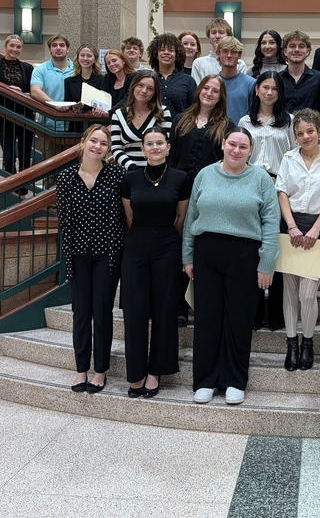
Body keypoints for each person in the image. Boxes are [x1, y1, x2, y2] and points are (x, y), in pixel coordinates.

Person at [183, 128, 280, 406]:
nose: (236, 150)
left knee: (239, 319)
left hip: (245, 254)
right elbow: (191, 217)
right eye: (232, 144)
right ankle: (205, 380)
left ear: (251, 151)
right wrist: (187, 256)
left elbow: (271, 224)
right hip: (207, 252)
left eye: (243, 146)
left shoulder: (261, 179)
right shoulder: (205, 174)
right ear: (223, 144)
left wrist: (267, 262)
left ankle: (235, 380)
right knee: (207, 318)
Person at [54, 124, 127, 393]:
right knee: (81, 312)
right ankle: (81, 369)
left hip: (108, 253)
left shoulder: (117, 175)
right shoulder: (65, 177)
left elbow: (125, 216)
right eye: (93, 141)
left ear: (108, 149)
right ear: (83, 142)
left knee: (102, 311)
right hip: (77, 254)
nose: (97, 146)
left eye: (103, 143)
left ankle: (100, 370)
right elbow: (63, 219)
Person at [120, 128, 190, 399]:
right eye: (150, 143)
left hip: (167, 247)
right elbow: (129, 215)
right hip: (136, 246)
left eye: (160, 143)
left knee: (164, 310)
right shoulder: (131, 178)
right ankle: (136, 372)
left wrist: (166, 239)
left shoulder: (181, 178)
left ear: (168, 147)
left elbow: (181, 218)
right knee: (135, 311)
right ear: (143, 148)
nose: (155, 147)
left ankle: (155, 372)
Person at [276, 109, 320, 371]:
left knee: (307, 293)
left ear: (319, 131)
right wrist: (291, 226)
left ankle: (308, 342)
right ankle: (291, 344)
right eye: (300, 133)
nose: (306, 137)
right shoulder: (288, 158)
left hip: (316, 227)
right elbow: (281, 191)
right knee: (290, 292)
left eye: (310, 131)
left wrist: (316, 229)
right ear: (295, 136)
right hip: (290, 226)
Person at [170, 74, 232, 326]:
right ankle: (179, 305)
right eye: (206, 88)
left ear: (220, 97)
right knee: (178, 244)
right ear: (199, 90)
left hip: (210, 192)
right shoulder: (180, 120)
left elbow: (227, 163)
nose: (209, 93)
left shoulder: (226, 125)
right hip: (179, 190)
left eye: (215, 90)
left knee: (201, 246)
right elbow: (172, 156)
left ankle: (201, 302)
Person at [239, 70, 294, 331]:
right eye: (265, 87)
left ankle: (276, 316)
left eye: (274, 88)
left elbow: (295, 156)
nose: (269, 92)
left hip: (279, 186)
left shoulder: (289, 121)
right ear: (257, 89)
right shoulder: (244, 121)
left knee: (276, 245)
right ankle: (253, 313)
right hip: (250, 185)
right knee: (252, 246)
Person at [0, 34, 35, 178]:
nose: (15, 49)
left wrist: (22, 93)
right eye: (12, 46)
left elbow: (33, 90)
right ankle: (11, 186)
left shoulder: (28, 68)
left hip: (25, 115)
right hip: (4, 114)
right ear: (5, 46)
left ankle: (24, 187)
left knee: (25, 155)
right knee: (8, 156)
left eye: (18, 47)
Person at [109, 69, 173, 169]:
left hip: (156, 170)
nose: (144, 91)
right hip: (128, 171)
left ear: (154, 93)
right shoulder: (118, 114)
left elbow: (165, 146)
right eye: (140, 85)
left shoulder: (163, 112)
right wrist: (131, 167)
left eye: (150, 88)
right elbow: (116, 148)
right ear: (133, 86)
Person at [30, 33, 75, 151]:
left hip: (74, 125)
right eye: (54, 45)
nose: (58, 48)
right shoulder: (40, 69)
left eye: (62, 45)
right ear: (50, 49)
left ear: (67, 48)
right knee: (49, 164)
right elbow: (35, 91)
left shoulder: (78, 68)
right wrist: (55, 104)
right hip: (48, 125)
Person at [148, 32, 197, 117]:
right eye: (162, 50)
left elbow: (194, 110)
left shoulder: (188, 81)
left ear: (177, 55)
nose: (166, 53)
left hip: (179, 128)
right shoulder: (148, 79)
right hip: (152, 128)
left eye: (171, 50)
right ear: (156, 54)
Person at [280, 30, 320, 113]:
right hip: (283, 125)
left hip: (311, 125)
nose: (296, 50)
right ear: (285, 51)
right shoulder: (277, 79)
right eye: (292, 46)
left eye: (301, 46)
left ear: (308, 51)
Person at [64, 44, 108, 133]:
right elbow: (68, 102)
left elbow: (104, 104)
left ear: (95, 59)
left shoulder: (103, 80)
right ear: (78, 58)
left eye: (89, 56)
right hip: (76, 126)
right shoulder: (69, 81)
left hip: (96, 126)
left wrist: (83, 106)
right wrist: (74, 107)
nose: (85, 58)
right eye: (82, 55)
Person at [190, 18, 247, 82]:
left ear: (229, 36)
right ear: (209, 37)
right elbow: (197, 90)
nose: (217, 36)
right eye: (213, 33)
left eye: (221, 32)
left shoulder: (240, 64)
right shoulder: (199, 63)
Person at [215, 36, 256, 123]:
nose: (229, 55)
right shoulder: (212, 83)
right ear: (218, 53)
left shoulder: (250, 84)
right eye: (225, 51)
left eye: (233, 52)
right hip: (215, 133)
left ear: (240, 55)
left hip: (241, 134)